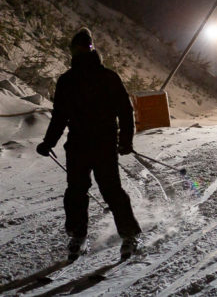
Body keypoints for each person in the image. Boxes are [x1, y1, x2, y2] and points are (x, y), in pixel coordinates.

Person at [36, 28, 141, 260]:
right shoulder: (69, 80)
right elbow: (60, 115)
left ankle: (128, 235)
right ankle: (79, 235)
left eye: (83, 47)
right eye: (78, 48)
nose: (80, 51)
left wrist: (125, 140)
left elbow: (125, 111)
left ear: (89, 48)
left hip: (101, 144)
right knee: (77, 191)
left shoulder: (105, 77)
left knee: (107, 190)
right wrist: (48, 142)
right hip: (80, 145)